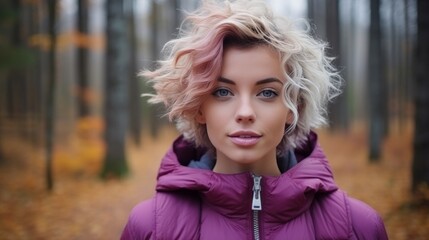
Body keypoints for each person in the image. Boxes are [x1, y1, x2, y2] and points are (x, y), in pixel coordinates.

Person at [121, 0, 388, 239]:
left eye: (267, 93)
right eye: (223, 92)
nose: (245, 112)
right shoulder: (151, 227)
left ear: (293, 107)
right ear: (199, 108)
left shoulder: (358, 227)